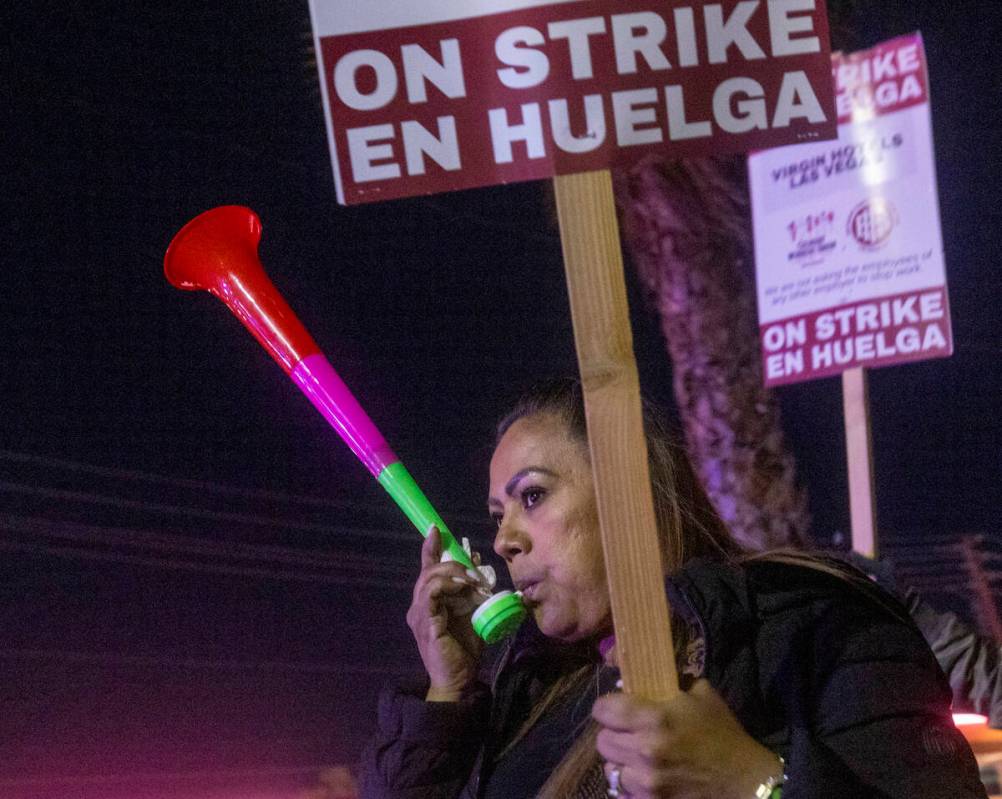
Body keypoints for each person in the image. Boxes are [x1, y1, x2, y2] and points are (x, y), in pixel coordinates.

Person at [359, 379, 985, 798]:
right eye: (499, 515)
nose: (503, 542)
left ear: (629, 486)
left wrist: (755, 783)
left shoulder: (805, 621)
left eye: (533, 496)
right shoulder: (525, 689)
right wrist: (446, 696)